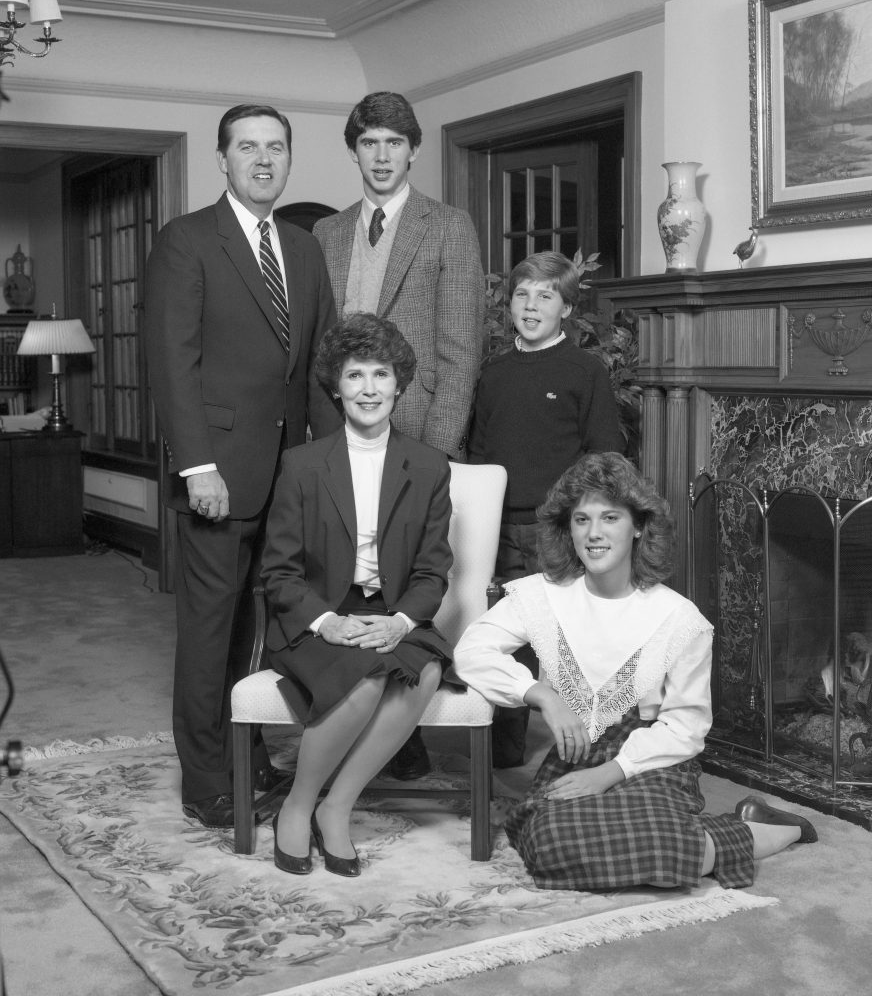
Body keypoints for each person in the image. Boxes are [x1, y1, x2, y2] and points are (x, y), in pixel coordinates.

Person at [453, 452, 817, 892]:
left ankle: (768, 828)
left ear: (638, 526)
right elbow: (472, 651)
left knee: (658, 845)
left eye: (610, 518)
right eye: (582, 519)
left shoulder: (679, 619)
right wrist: (542, 695)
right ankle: (709, 835)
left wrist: (612, 772)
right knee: (551, 843)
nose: (594, 533)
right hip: (577, 755)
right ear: (568, 529)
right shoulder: (541, 596)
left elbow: (686, 728)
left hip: (652, 759)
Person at [144, 103, 339, 830]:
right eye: (248, 147)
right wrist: (197, 466)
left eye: (276, 147)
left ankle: (247, 752)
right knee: (210, 631)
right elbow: (173, 362)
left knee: (267, 628)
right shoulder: (188, 239)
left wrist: (332, 467)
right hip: (219, 473)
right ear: (222, 159)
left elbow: (318, 369)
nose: (263, 159)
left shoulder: (305, 249)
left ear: (289, 159)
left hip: (290, 474)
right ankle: (205, 781)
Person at [314, 90, 484, 780]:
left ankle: (399, 736)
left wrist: (436, 452)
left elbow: (461, 349)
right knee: (344, 574)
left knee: (400, 577)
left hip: (415, 434)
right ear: (354, 152)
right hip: (339, 435)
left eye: (393, 143)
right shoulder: (326, 232)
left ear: (413, 150)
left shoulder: (448, 227)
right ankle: (353, 718)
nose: (381, 156)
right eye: (368, 143)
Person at [261, 314, 454, 876]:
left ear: (399, 383)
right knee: (367, 678)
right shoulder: (302, 465)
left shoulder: (429, 466)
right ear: (336, 387)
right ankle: (298, 806)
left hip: (390, 613)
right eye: (354, 375)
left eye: (380, 374)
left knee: (425, 671)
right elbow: (279, 573)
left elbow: (432, 573)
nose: (369, 389)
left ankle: (337, 807)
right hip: (315, 617)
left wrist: (400, 622)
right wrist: (327, 622)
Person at [468, 251, 624, 768]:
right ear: (509, 304)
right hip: (496, 526)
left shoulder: (585, 370)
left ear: (567, 308)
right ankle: (503, 752)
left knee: (568, 638)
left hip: (555, 528)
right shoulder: (493, 372)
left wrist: (581, 524)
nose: (531, 306)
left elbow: (603, 456)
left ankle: (583, 749)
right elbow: (479, 452)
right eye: (522, 295)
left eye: (545, 296)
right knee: (506, 635)